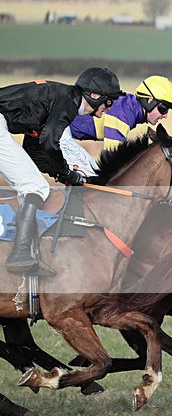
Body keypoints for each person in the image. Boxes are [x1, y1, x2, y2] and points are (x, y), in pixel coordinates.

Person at [0, 67, 123, 276]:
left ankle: (24, 250)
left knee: (33, 183)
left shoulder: (59, 98)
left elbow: (35, 151)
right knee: (36, 187)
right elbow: (50, 144)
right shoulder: (68, 103)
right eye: (109, 102)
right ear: (94, 96)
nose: (108, 109)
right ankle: (20, 254)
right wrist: (67, 173)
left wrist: (62, 174)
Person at [62, 75, 172, 177]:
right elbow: (110, 159)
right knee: (92, 177)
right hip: (59, 128)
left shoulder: (128, 107)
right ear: (149, 101)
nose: (165, 115)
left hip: (63, 128)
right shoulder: (123, 113)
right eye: (163, 109)